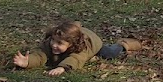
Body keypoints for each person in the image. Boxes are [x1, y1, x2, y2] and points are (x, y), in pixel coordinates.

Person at [12, 21, 143, 76]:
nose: (54, 45)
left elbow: (75, 59)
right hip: (76, 35)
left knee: (110, 53)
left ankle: (124, 44)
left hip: (94, 42)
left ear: (71, 45)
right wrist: (27, 62)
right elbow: (40, 54)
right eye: (53, 40)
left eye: (59, 43)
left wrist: (61, 68)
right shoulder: (50, 44)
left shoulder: (81, 48)